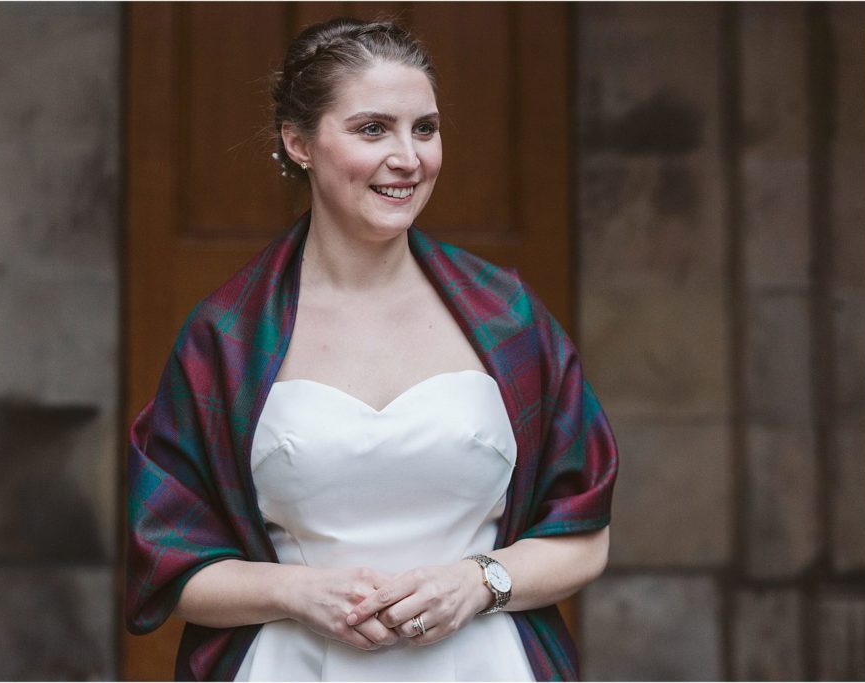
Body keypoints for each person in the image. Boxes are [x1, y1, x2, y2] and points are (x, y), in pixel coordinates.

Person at [126, 17, 618, 682]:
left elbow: (585, 535)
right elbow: (168, 559)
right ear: (298, 141)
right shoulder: (226, 337)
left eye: (425, 128)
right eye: (372, 128)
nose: (409, 157)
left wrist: (479, 581)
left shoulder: (508, 317)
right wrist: (294, 591)